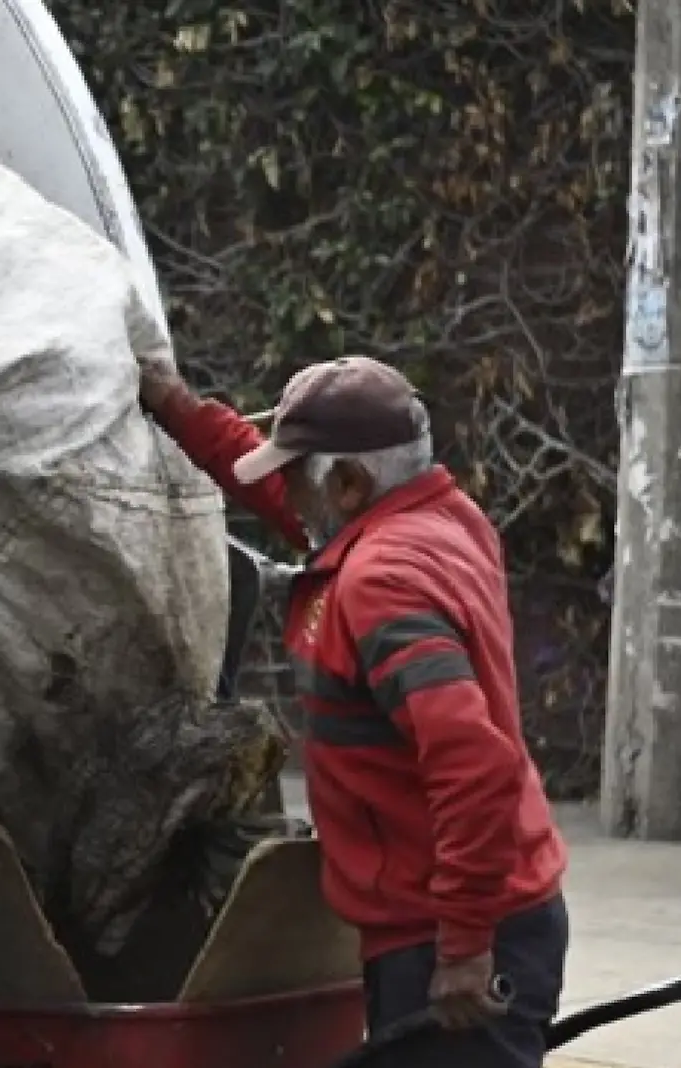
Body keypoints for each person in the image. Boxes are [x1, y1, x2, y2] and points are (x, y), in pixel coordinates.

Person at [135, 352, 570, 1067]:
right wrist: (180, 408)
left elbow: (474, 766)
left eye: (299, 480)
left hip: (446, 932)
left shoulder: (382, 583)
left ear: (347, 484)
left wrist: (463, 943)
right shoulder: (443, 518)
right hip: (489, 912)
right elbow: (291, 503)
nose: (288, 498)